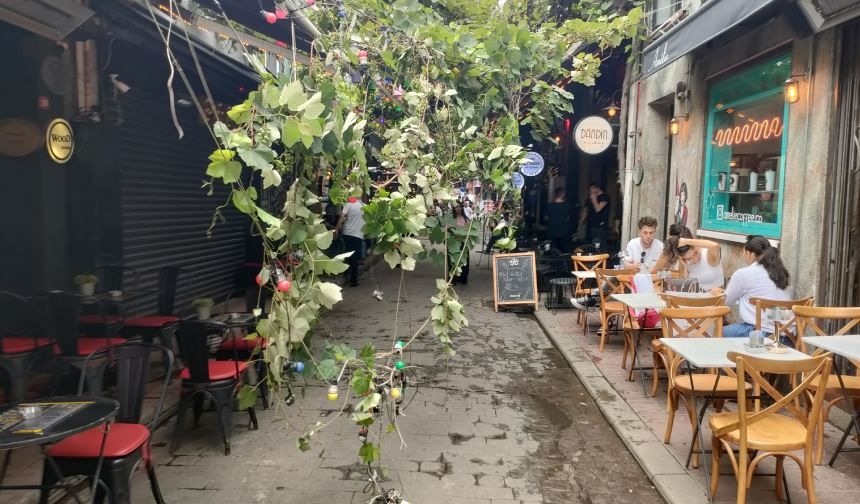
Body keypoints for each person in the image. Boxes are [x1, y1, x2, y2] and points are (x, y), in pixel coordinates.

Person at [571, 216, 664, 309]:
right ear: (639, 232)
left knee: (615, 286)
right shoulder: (633, 243)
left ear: (655, 232)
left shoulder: (660, 247)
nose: (648, 236)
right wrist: (630, 265)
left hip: (651, 284)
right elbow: (624, 263)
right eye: (645, 233)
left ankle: (596, 302)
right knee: (613, 278)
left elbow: (662, 269)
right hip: (631, 281)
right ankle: (593, 299)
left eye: (651, 233)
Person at [710, 236, 791, 338]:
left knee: (718, 331)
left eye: (743, 252)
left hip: (760, 337)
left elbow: (725, 303)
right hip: (787, 337)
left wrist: (717, 294)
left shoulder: (743, 274)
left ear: (750, 254)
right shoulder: (780, 273)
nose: (743, 255)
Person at [336, 195, 365, 287]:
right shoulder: (365, 207)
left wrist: (336, 229)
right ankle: (353, 280)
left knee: (347, 254)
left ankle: (345, 273)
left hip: (347, 233)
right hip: (358, 235)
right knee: (355, 257)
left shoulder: (348, 205)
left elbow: (342, 217)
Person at [582, 181, 610, 250]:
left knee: (599, 244)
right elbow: (586, 209)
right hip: (591, 225)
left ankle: (601, 259)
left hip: (600, 225)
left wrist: (594, 199)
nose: (590, 191)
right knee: (590, 245)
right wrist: (582, 219)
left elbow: (598, 209)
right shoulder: (589, 197)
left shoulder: (605, 197)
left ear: (597, 189)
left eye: (592, 189)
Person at [544, 187, 571, 252]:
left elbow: (546, 218)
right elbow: (569, 218)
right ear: (563, 194)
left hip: (552, 231)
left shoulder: (549, 205)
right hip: (563, 231)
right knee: (564, 252)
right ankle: (563, 262)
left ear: (555, 194)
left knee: (552, 252)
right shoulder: (567, 205)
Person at [450, 203, 470, 285]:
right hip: (453, 242)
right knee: (453, 260)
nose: (458, 208)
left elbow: (469, 230)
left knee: (464, 260)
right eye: (456, 207)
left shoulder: (465, 219)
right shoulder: (451, 219)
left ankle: (463, 278)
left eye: (459, 207)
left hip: (463, 242)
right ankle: (453, 279)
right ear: (454, 208)